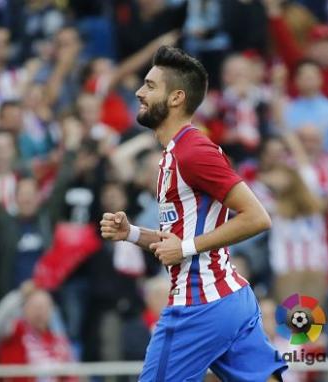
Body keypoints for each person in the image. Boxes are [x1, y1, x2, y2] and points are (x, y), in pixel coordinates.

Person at [100, 46, 287, 381]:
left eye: (150, 86)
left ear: (176, 98)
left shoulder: (194, 152)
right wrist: (130, 233)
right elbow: (177, 240)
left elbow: (257, 217)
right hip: (230, 299)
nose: (140, 93)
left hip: (197, 306)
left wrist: (185, 248)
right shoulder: (172, 156)